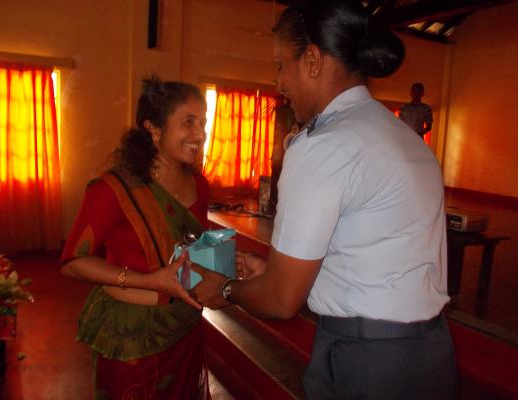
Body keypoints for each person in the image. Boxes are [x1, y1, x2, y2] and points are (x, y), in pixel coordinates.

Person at [191, 1, 456, 399]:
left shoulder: (325, 145)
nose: (279, 81)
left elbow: (281, 301)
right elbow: (373, 250)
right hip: (429, 353)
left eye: (281, 64)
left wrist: (225, 289)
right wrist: (277, 269)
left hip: (368, 363)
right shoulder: (402, 135)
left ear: (312, 61)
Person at [61, 75, 211, 399]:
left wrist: (226, 256)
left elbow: (194, 245)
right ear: (153, 129)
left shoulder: (199, 185)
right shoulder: (115, 188)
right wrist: (149, 281)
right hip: (133, 334)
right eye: (188, 122)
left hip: (185, 325)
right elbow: (73, 262)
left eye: (203, 122)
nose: (200, 133)